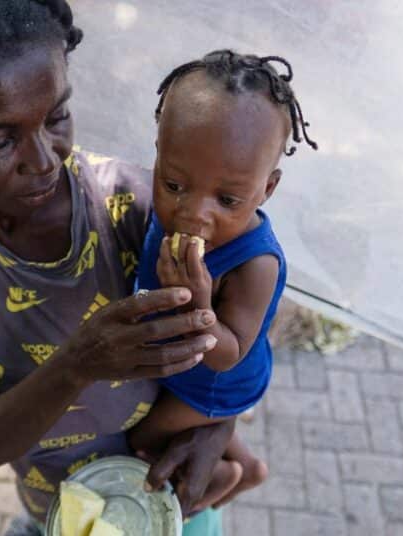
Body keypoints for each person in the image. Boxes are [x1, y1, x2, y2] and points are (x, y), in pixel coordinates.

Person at [0, 1, 256, 533]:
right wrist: (77, 364)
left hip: (169, 502)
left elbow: (235, 332)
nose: (44, 159)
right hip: (56, 515)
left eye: (57, 116)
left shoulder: (132, 205)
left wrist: (219, 424)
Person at [128, 50, 318, 508]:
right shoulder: (163, 205)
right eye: (175, 185)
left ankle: (219, 486)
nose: (194, 214)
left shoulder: (256, 263)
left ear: (267, 188)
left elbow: (228, 352)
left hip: (215, 383)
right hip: (183, 367)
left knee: (144, 437)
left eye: (228, 199)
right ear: (159, 156)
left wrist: (197, 304)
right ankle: (249, 467)